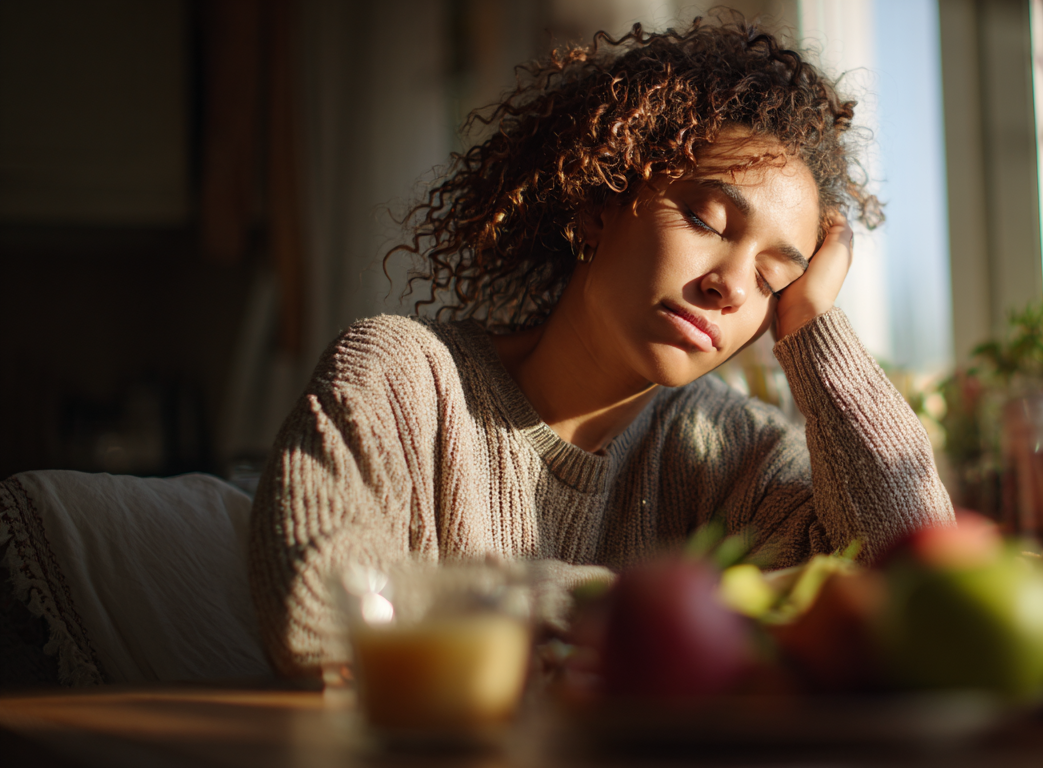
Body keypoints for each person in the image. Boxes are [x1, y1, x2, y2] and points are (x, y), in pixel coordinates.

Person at [248, 17, 954, 678]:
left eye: (773, 278)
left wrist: (811, 326)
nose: (732, 286)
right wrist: (642, 612)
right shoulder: (403, 377)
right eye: (707, 221)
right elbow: (313, 605)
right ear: (598, 203)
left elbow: (920, 587)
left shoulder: (727, 447)